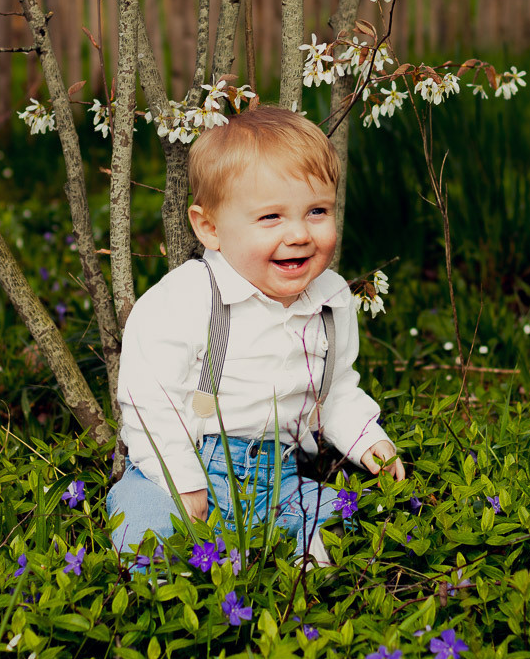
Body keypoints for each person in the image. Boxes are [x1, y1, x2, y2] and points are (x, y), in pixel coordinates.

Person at [107, 105, 404, 566]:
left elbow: (337, 389)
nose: (300, 234)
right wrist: (183, 481)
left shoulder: (330, 300)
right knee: (143, 518)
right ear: (210, 228)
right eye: (271, 218)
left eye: (317, 211)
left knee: (349, 515)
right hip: (188, 466)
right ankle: (167, 590)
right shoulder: (187, 299)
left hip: (279, 478)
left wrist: (369, 441)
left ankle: (288, 575)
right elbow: (152, 401)